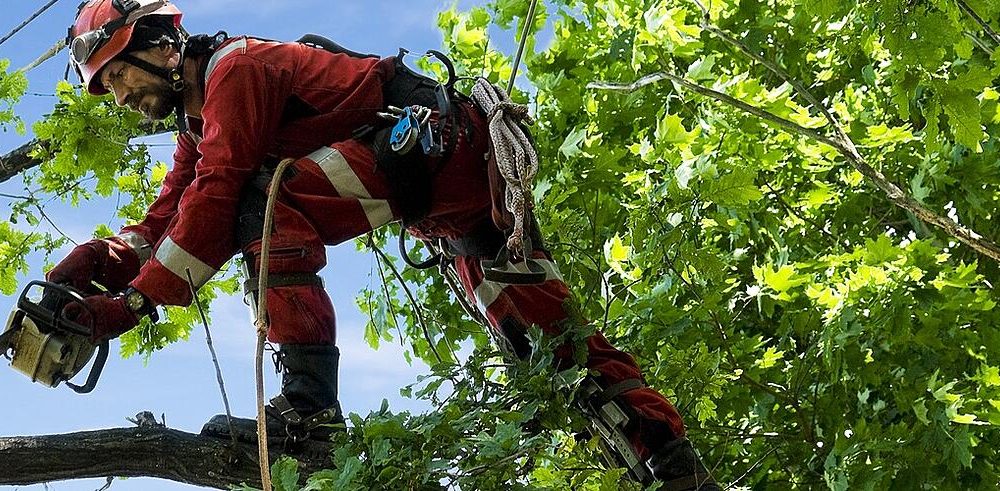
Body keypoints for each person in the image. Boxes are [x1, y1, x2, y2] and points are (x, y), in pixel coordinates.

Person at [53, 0, 719, 488]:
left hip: (440, 155)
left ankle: (310, 410)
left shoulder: (237, 71)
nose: (120, 97)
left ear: (162, 46)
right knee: (548, 349)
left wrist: (133, 308)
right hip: (447, 195)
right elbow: (171, 214)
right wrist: (102, 261)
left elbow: (217, 198)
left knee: (267, 200)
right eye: (107, 87)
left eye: (117, 76)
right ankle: (673, 463)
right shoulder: (199, 124)